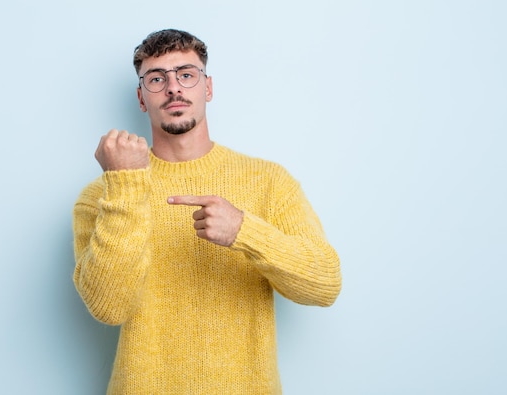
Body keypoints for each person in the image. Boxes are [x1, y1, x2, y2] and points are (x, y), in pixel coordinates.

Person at [72, 28, 342, 394]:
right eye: (156, 79)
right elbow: (110, 307)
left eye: (186, 74)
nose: (173, 88)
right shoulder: (103, 194)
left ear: (207, 88)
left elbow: (325, 285)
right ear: (141, 98)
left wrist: (245, 231)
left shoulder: (269, 181)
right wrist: (125, 185)